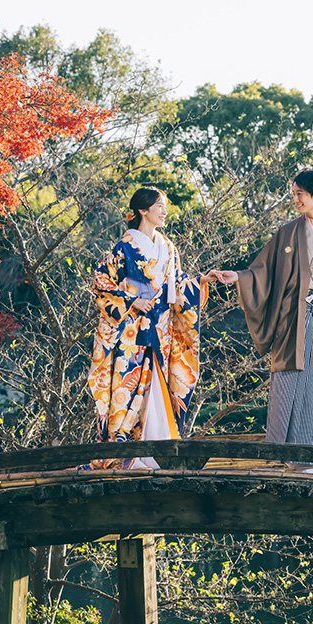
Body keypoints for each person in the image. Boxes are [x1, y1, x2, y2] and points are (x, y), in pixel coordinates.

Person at [211, 169, 313, 446]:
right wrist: (239, 276)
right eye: (293, 194)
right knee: (290, 380)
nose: (295, 199)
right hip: (294, 318)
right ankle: (285, 454)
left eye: (300, 194)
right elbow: (263, 270)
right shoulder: (288, 232)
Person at [88, 187, 215, 464]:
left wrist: (202, 281)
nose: (164, 211)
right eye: (159, 205)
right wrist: (132, 300)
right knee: (129, 387)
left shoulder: (168, 247)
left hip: (161, 328)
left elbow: (178, 286)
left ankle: (154, 453)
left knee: (159, 386)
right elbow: (101, 281)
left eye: (164, 205)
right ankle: (123, 454)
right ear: (143, 211)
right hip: (132, 329)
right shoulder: (124, 247)